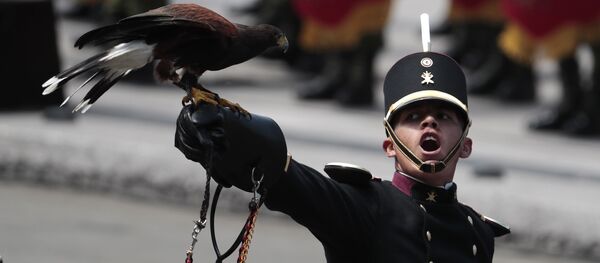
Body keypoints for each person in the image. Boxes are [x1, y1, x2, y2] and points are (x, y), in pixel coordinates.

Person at [174, 49, 510, 262]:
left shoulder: (478, 233)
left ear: (466, 145)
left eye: (444, 116)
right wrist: (232, 131)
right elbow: (294, 184)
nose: (429, 121)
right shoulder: (368, 207)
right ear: (389, 145)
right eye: (412, 117)